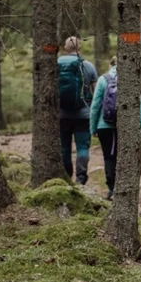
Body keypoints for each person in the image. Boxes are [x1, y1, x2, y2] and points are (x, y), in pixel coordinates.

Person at [89, 56, 141, 200]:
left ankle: (111, 189)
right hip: (126, 126)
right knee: (125, 157)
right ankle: (125, 188)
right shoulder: (130, 79)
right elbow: (139, 105)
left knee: (109, 157)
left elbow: (95, 106)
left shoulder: (103, 79)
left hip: (105, 126)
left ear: (111, 65)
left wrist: (93, 128)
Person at [58, 36, 98, 185]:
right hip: (84, 115)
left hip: (62, 115)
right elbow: (96, 94)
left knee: (64, 146)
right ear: (79, 47)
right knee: (82, 147)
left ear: (65, 48)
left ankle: (67, 176)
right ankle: (81, 178)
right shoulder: (88, 66)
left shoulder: (56, 64)